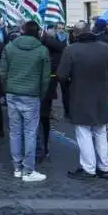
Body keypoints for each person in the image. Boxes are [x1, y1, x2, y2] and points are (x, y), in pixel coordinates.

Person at [56, 21, 108, 179]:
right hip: (101, 95)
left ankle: (89, 168)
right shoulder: (105, 48)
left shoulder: (71, 50)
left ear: (75, 33)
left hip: (80, 95)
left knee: (84, 133)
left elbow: (62, 75)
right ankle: (104, 166)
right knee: (101, 132)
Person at [0, 20, 50, 182]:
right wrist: (40, 94)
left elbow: (2, 72)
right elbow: (45, 78)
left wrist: (7, 88)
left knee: (15, 132)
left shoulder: (9, 47)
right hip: (31, 94)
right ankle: (28, 170)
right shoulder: (42, 50)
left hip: (12, 93)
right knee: (30, 133)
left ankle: (17, 167)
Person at [38, 27, 66, 161]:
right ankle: (42, 147)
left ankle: (41, 147)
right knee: (43, 118)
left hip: (43, 86)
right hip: (47, 87)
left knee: (40, 118)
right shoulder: (57, 47)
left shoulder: (48, 46)